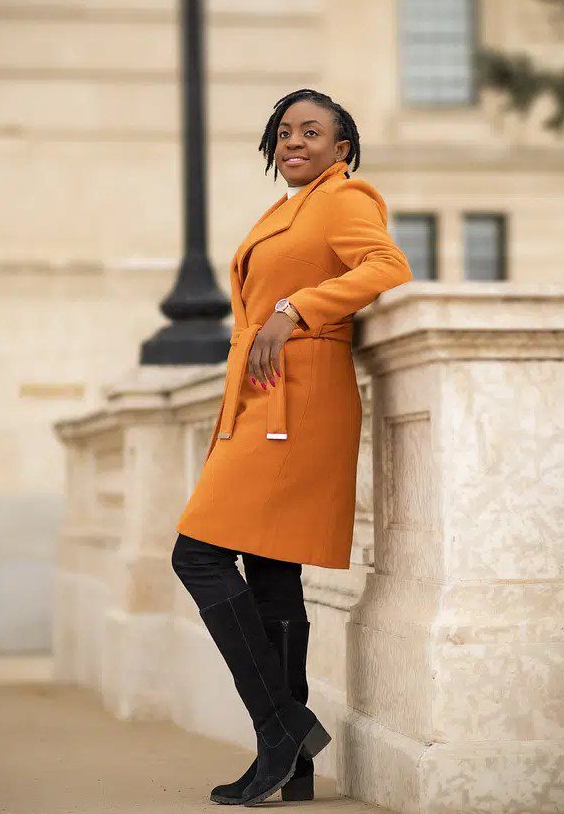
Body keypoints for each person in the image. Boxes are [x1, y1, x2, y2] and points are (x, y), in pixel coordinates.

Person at [171, 88, 413, 806]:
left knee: (198, 554)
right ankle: (293, 766)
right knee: (271, 573)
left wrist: (295, 307)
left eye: (311, 132)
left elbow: (385, 268)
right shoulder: (287, 211)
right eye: (283, 133)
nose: (293, 142)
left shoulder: (345, 196)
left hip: (297, 406)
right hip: (261, 401)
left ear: (342, 148)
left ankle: (282, 727)